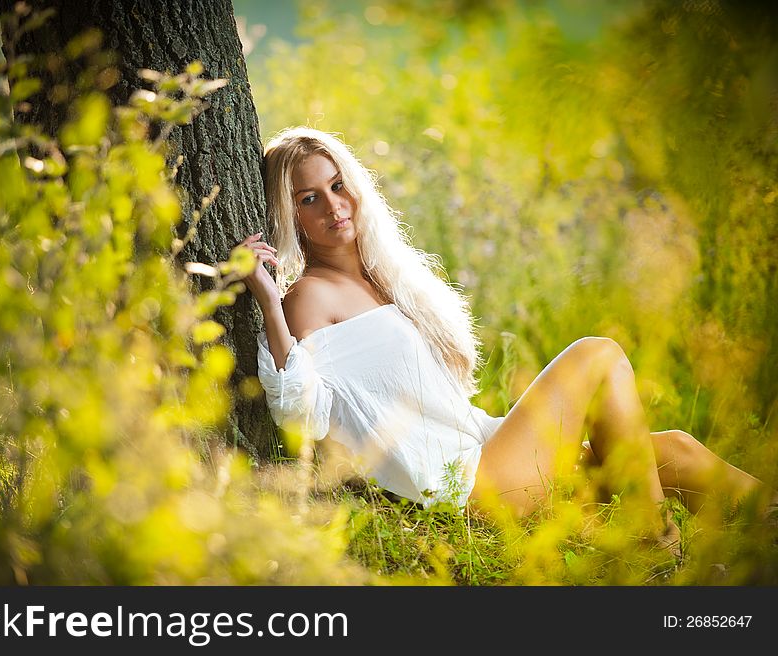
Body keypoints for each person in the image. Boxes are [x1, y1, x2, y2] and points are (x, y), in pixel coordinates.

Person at [239, 125, 775, 549]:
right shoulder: (310, 296)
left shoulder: (381, 280)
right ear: (290, 216)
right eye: (308, 199)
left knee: (673, 450)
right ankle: (654, 541)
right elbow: (300, 413)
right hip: (473, 487)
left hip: (488, 450)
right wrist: (268, 301)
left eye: (337, 187)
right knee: (597, 355)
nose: (333, 206)